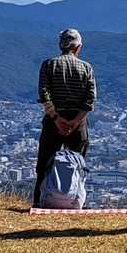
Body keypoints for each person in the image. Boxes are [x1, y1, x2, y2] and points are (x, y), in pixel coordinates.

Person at [34, 28, 96, 207]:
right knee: (77, 164)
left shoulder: (49, 65)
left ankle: (39, 200)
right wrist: (75, 121)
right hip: (78, 122)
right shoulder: (86, 68)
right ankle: (75, 201)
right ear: (78, 47)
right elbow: (90, 99)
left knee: (45, 163)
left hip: (53, 121)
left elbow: (44, 94)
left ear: (61, 45)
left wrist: (56, 118)